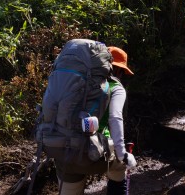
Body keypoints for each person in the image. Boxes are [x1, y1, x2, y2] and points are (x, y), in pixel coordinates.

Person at [56, 46, 137, 195]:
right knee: (120, 167)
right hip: (95, 153)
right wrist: (123, 154)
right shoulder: (115, 87)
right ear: (116, 69)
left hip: (65, 151)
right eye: (122, 72)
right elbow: (115, 117)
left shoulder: (75, 82)